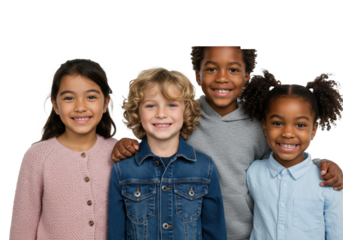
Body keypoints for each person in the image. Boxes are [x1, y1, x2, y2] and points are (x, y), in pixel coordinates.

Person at [110, 44, 343, 240]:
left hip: (251, 233)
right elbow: (156, 144)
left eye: (233, 69)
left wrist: (321, 162)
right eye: (212, 69)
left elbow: (283, 156)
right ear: (198, 76)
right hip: (193, 231)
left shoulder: (259, 123)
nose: (222, 77)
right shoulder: (182, 115)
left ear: (246, 77)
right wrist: (129, 144)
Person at [108, 66, 226, 239]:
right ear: (137, 113)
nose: (161, 114)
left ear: (185, 111)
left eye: (171, 105)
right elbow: (116, 233)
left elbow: (215, 231)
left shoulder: (204, 167)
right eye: (150, 105)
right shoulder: (122, 169)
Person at [9, 58, 118, 240]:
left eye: (91, 97)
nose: (80, 107)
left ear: (105, 103)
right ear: (55, 105)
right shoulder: (37, 157)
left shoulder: (118, 151)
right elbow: (22, 230)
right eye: (69, 98)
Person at [244, 69, 343, 240]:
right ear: (265, 127)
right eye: (277, 123)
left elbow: (336, 234)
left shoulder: (328, 181)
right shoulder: (253, 173)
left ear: (314, 131)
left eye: (300, 125)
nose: (288, 133)